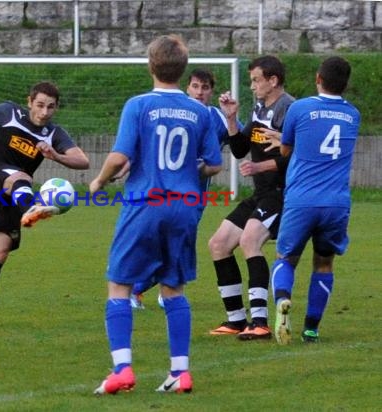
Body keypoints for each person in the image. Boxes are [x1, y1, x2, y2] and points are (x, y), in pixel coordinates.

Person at [90, 34, 222, 395]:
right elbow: (213, 164)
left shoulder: (139, 105)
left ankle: (122, 370)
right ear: (182, 70)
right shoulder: (200, 112)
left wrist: (99, 180)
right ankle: (180, 372)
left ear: (151, 65)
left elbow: (119, 156)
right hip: (184, 206)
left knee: (119, 283)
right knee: (173, 287)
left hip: (145, 203)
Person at [0, 81, 89, 333]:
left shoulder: (53, 134)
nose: (44, 112)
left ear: (56, 108)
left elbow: (82, 161)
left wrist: (56, 155)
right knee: (22, 177)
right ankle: (32, 207)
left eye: (50, 107)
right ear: (30, 101)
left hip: (11, 196)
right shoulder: (9, 113)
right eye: (40, 105)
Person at [129, 68, 242, 310]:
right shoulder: (171, 111)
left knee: (177, 244)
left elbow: (240, 143)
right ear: (187, 87)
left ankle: (160, 290)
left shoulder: (215, 116)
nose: (200, 92)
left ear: (212, 91)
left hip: (194, 197)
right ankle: (139, 288)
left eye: (205, 87)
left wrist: (231, 118)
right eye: (195, 86)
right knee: (159, 243)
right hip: (161, 191)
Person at [271, 56, 360, 345]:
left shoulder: (300, 108)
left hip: (301, 199)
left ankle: (283, 301)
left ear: (318, 78)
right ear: (345, 84)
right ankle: (311, 328)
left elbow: (284, 150)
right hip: (336, 202)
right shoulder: (353, 115)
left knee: (286, 258)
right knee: (324, 264)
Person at [208, 55, 294, 340]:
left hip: (281, 194)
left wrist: (261, 166)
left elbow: (296, 155)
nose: (252, 85)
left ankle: (260, 322)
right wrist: (231, 119)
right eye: (251, 80)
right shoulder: (260, 108)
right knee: (218, 244)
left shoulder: (289, 110)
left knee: (250, 240)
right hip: (260, 194)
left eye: (256, 80)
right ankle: (235, 320)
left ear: (273, 80)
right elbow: (239, 149)